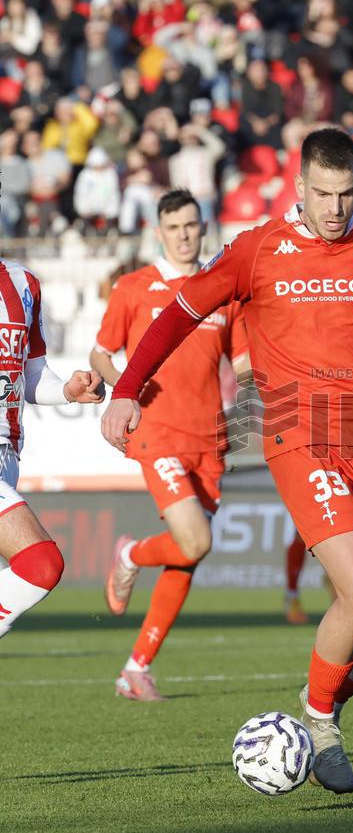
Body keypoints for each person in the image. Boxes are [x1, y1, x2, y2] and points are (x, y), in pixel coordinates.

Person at [101, 128, 353, 791]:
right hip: (301, 436)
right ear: (299, 186)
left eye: (347, 194)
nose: (337, 208)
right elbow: (175, 318)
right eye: (324, 194)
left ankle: (328, 702)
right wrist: (124, 391)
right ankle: (319, 722)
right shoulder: (257, 250)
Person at [90, 188, 249, 702]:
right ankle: (131, 553)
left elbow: (244, 364)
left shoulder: (221, 291)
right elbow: (100, 353)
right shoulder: (134, 288)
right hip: (156, 432)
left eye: (192, 225)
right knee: (196, 540)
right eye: (174, 227)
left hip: (211, 438)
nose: (184, 235)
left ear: (203, 229)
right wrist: (126, 390)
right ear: (159, 232)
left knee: (187, 555)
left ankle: (136, 669)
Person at [0, 259, 104, 641]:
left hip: (8, 455)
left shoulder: (24, 283)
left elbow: (32, 374)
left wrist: (67, 391)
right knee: (39, 564)